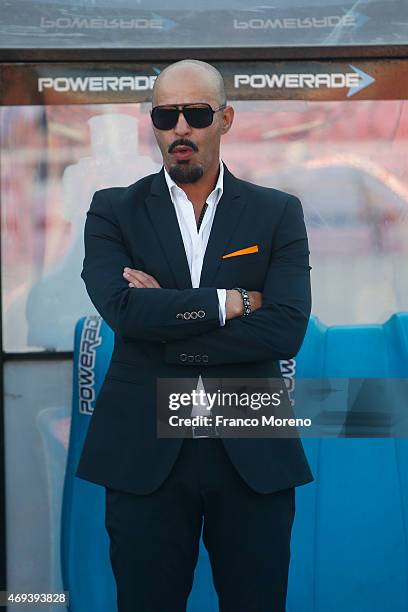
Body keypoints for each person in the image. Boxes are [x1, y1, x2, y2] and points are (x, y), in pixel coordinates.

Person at [76, 58, 314, 612]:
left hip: (249, 444)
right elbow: (125, 312)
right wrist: (231, 303)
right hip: (144, 448)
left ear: (225, 119)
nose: (180, 128)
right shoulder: (113, 209)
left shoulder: (277, 212)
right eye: (166, 115)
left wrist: (165, 317)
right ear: (153, 123)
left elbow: (286, 328)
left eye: (196, 114)